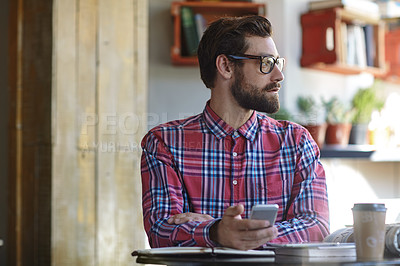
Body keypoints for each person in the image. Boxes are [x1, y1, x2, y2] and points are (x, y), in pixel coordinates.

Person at [141, 15, 329, 250]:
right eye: (265, 63)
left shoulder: (297, 142)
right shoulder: (164, 143)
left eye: (277, 63)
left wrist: (220, 232)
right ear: (226, 66)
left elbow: (316, 227)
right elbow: (161, 231)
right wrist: (218, 231)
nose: (279, 75)